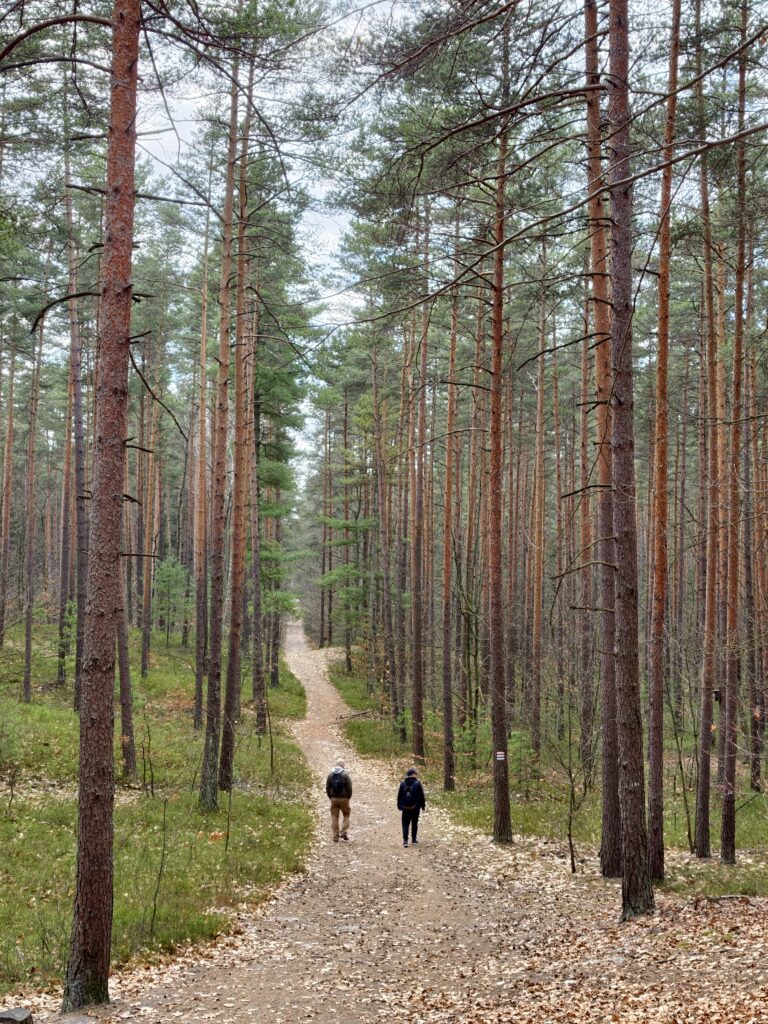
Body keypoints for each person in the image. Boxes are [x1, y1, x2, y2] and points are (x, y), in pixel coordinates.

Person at [397, 767, 426, 847]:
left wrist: (399, 806)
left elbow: (400, 796)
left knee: (405, 823)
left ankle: (405, 841)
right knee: (414, 823)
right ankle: (414, 839)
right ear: (413, 774)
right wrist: (423, 806)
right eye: (415, 773)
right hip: (415, 807)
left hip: (405, 808)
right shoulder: (418, 783)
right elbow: (421, 796)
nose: (416, 775)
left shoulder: (403, 783)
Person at [325, 759, 352, 842]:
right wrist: (348, 797)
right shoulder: (345, 775)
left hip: (333, 799)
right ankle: (344, 832)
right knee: (346, 814)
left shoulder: (330, 775)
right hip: (344, 798)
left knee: (334, 817)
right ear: (343, 765)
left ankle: (335, 836)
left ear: (336, 764)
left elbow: (327, 787)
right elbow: (349, 788)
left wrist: (331, 797)